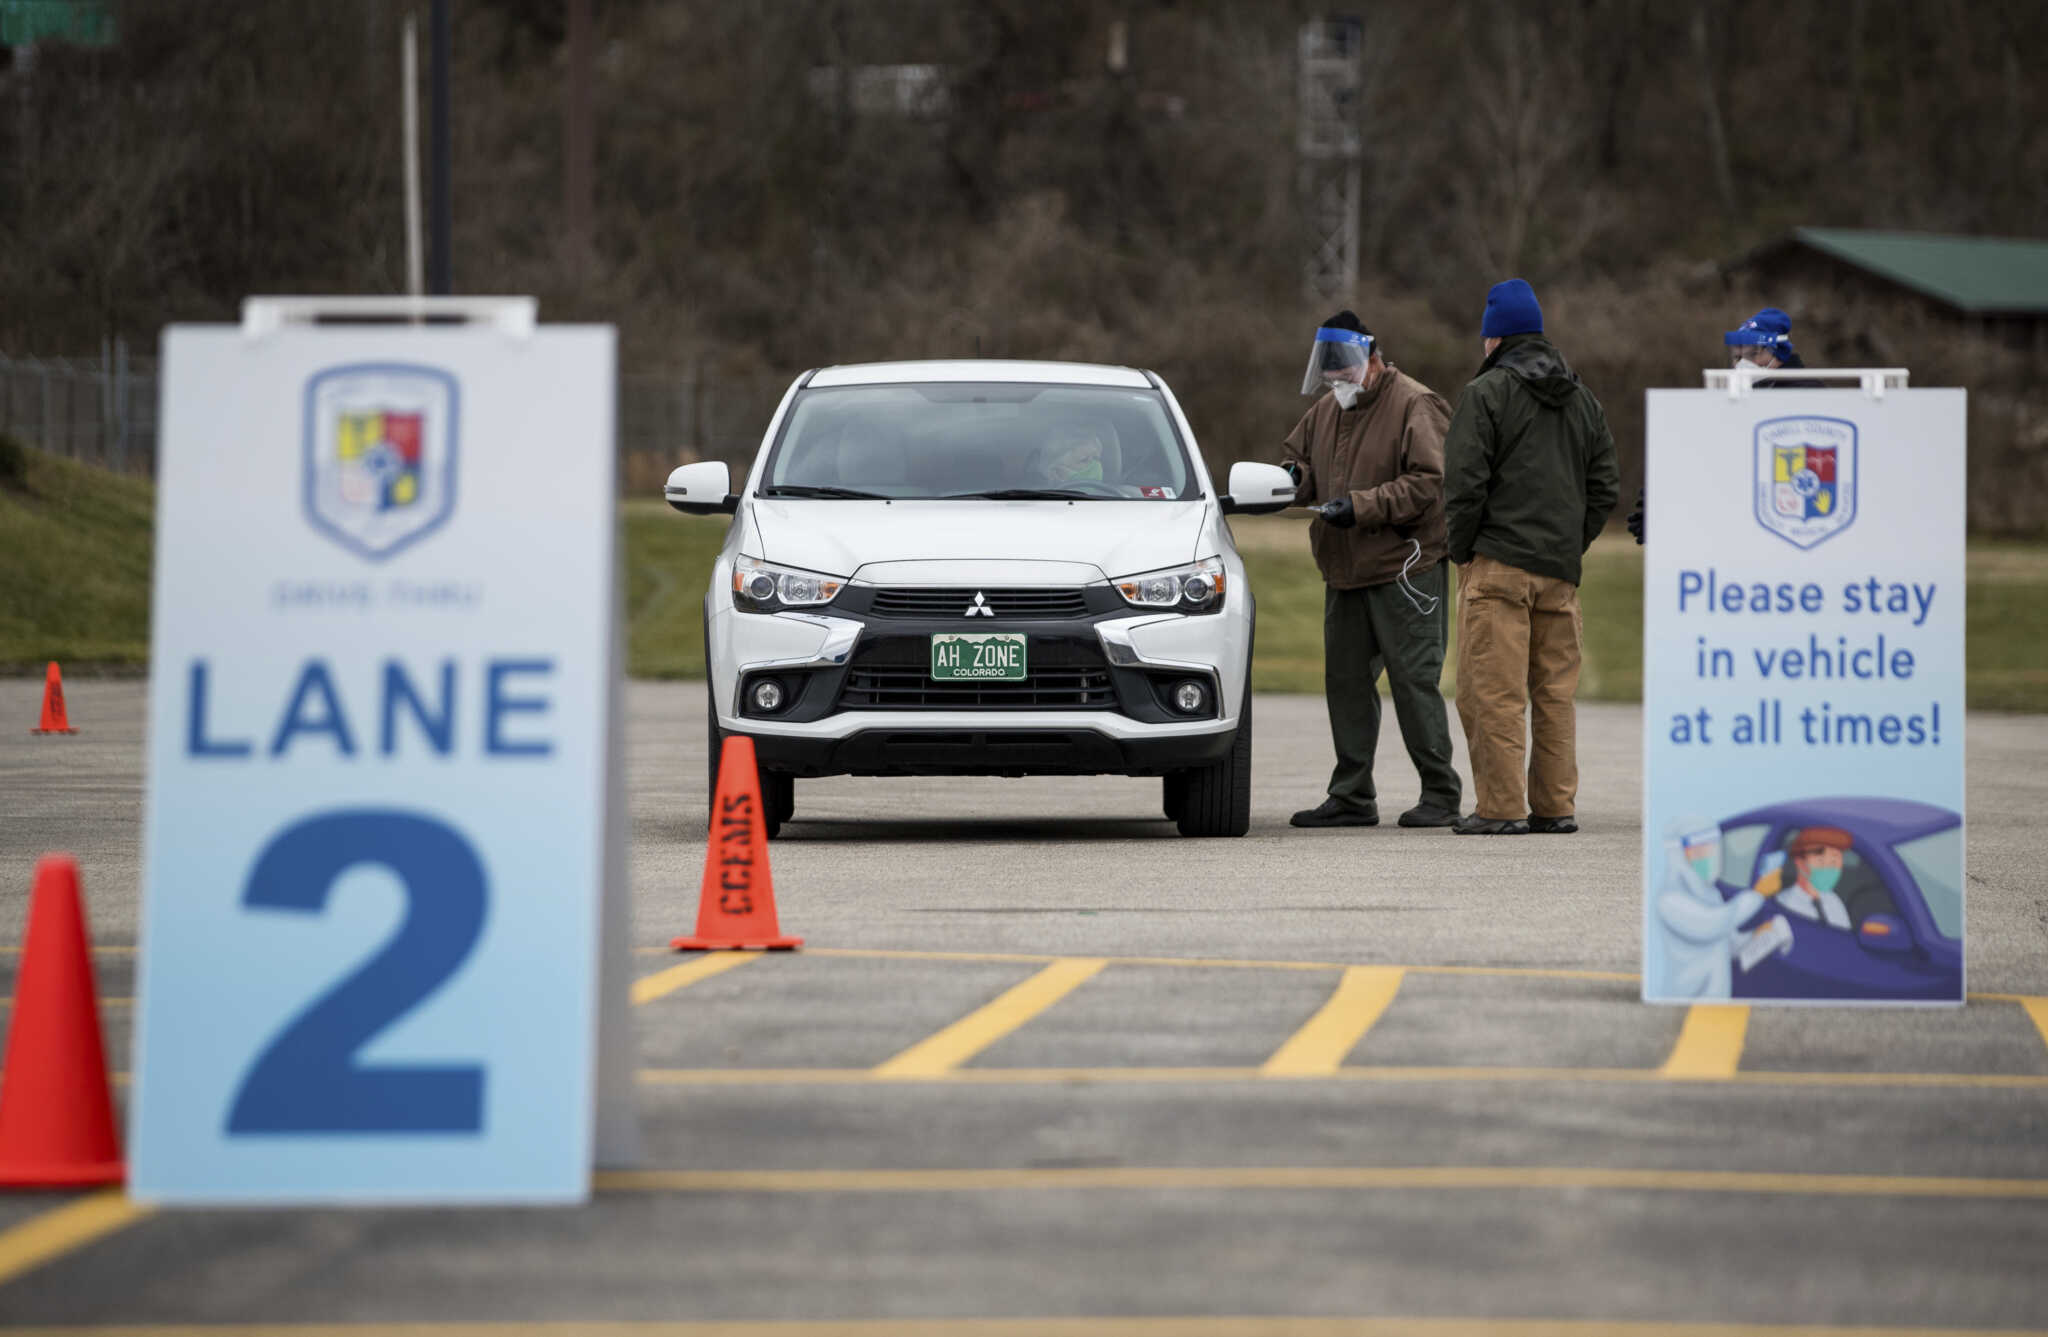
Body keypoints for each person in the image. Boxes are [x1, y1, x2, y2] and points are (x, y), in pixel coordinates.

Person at [1442, 279, 1619, 835]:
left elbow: (1464, 485)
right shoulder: (1582, 397)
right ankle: (1554, 807)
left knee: (1492, 694)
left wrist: (1463, 548)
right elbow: (1605, 485)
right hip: (1559, 575)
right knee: (1554, 696)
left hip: (1497, 566)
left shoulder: (1486, 393)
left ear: (1493, 339)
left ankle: (1500, 809)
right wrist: (1570, 543)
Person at [1281, 311, 1462, 829]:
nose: (1335, 381)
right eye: (1329, 372)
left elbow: (1430, 481)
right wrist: (1281, 483)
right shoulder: (1325, 410)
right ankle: (1353, 795)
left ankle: (1441, 793)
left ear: (1372, 361)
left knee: (1413, 682)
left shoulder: (1416, 403)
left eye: (1342, 371)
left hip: (1404, 569)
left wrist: (1361, 506)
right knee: (1345, 683)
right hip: (1344, 570)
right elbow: (1299, 464)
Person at [1626, 306, 1810, 543]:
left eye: (1754, 354)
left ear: (1780, 353)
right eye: (1738, 355)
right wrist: (1662, 499)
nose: (1744, 363)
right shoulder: (1735, 399)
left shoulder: (1807, 394)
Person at [1650, 818, 1766, 1000]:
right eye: (1699, 850)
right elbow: (1715, 925)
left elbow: (1731, 945)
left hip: (1715, 1001)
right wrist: (1759, 893)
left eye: (1712, 847)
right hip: (1682, 1003)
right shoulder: (1670, 899)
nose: (1709, 855)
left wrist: (1765, 934)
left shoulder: (1711, 895)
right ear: (1678, 854)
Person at [1769, 826, 1855, 929]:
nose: (1828, 869)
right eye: (1820, 861)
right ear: (1800, 862)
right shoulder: (1784, 904)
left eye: (1834, 861)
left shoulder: (1834, 901)